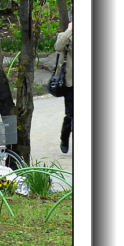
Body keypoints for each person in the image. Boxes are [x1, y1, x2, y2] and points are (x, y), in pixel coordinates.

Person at [51, 16, 73, 153]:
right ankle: (65, 138)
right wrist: (69, 30)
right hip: (71, 83)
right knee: (71, 115)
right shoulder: (66, 36)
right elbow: (57, 47)